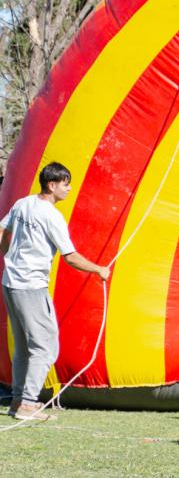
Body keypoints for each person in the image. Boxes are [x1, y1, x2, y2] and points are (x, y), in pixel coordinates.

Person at [1, 163, 110, 421]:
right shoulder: (51, 215)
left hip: (11, 282)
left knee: (24, 346)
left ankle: (18, 401)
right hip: (31, 286)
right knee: (45, 347)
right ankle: (28, 403)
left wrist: (5, 252)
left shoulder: (23, 203)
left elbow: (4, 230)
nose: (69, 188)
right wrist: (99, 270)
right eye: (65, 184)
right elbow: (70, 257)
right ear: (52, 185)